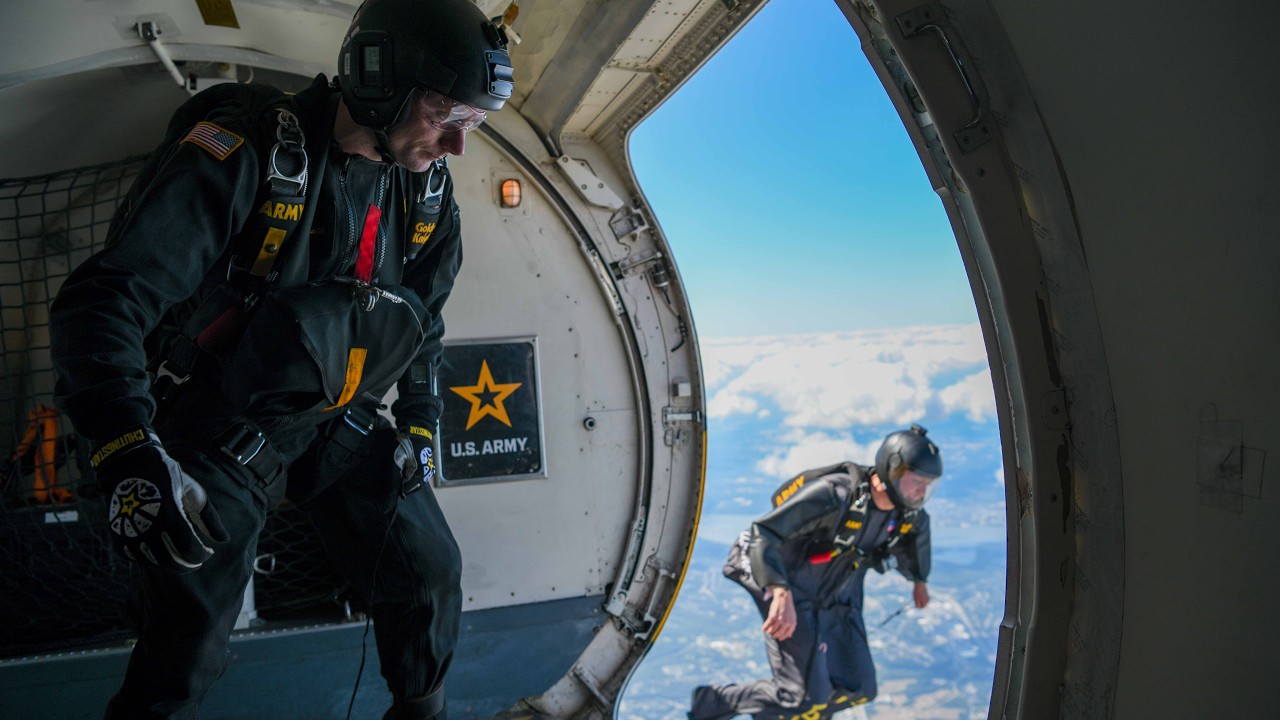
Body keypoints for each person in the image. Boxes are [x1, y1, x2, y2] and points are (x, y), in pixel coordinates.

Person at [47, 0, 514, 717]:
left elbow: (423, 322)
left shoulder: (425, 194)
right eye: (445, 111)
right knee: (191, 633)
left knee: (428, 574)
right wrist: (125, 448)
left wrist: (419, 425)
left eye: (474, 122)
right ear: (381, 78)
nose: (456, 144)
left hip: (334, 418)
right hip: (216, 421)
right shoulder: (247, 150)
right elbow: (105, 300)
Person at [688, 425, 943, 720]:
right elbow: (765, 532)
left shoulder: (907, 516)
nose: (921, 492)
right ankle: (713, 701)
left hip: (831, 587)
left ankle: (808, 711)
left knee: (858, 687)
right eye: (916, 482)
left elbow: (917, 542)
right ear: (892, 471)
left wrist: (919, 581)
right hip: (776, 572)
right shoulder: (834, 494)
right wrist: (780, 592)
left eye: (928, 484)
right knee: (802, 697)